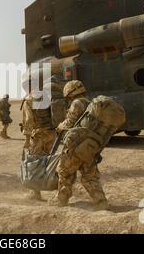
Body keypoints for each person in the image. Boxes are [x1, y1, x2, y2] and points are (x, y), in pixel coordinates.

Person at [49, 81, 125, 211]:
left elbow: (69, 123)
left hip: (76, 145)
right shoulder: (91, 104)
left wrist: (60, 126)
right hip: (90, 147)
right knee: (89, 175)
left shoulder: (77, 103)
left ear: (70, 93)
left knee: (64, 171)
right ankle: (101, 202)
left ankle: (61, 199)